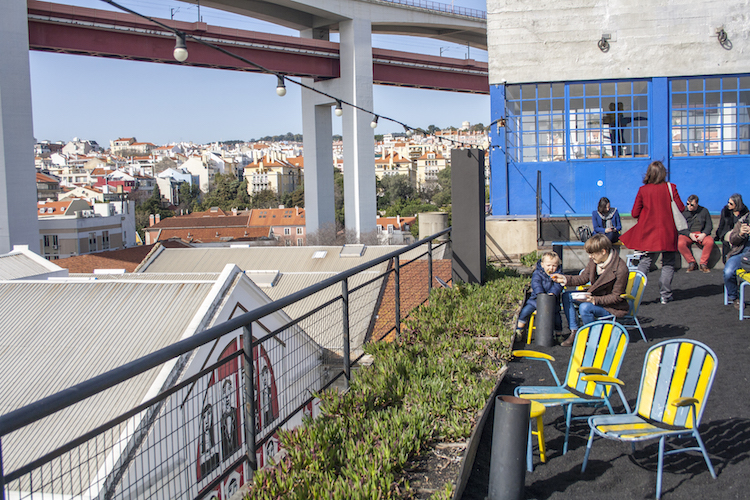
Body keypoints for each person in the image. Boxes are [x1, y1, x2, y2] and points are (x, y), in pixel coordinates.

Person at [619, 161, 684, 304]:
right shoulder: (670, 188)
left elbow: (635, 213)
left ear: (648, 173)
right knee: (668, 263)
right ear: (663, 173)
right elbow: (681, 208)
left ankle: (635, 292)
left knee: (645, 262)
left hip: (649, 232)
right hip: (668, 232)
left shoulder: (643, 190)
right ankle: (665, 295)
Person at [551, 234, 629, 346]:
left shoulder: (621, 269)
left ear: (603, 251)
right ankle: (575, 331)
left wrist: (594, 300)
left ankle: (593, 336)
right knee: (567, 296)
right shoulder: (595, 261)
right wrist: (563, 278)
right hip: (593, 297)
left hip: (611, 307)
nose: (590, 257)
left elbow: (616, 297)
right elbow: (583, 278)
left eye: (592, 254)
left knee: (585, 307)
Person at [516, 252, 563, 334]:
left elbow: (558, 286)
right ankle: (519, 329)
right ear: (542, 265)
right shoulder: (538, 273)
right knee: (525, 312)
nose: (551, 268)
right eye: (548, 265)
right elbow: (535, 283)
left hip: (551, 301)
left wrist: (552, 293)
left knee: (557, 317)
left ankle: (558, 333)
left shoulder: (558, 275)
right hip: (536, 300)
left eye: (554, 266)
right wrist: (540, 293)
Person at [677, 194, 714, 273]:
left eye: (692, 205)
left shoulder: (704, 211)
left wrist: (703, 234)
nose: (689, 206)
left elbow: (709, 225)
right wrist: (689, 234)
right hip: (688, 234)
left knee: (710, 241)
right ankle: (691, 262)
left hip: (700, 233)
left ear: (697, 204)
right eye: (687, 204)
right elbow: (680, 227)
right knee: (680, 243)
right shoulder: (683, 211)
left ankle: (703, 263)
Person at [724, 210, 750, 310]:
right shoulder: (743, 220)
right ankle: (735, 297)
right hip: (742, 253)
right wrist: (740, 234)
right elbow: (732, 239)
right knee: (728, 271)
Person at [716, 194, 749, 263]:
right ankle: (730, 257)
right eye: (728, 202)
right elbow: (721, 225)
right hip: (727, 232)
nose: (728, 205)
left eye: (731, 204)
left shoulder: (745, 213)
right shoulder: (725, 211)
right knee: (731, 237)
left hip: (739, 233)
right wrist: (718, 235)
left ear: (737, 204)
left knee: (739, 238)